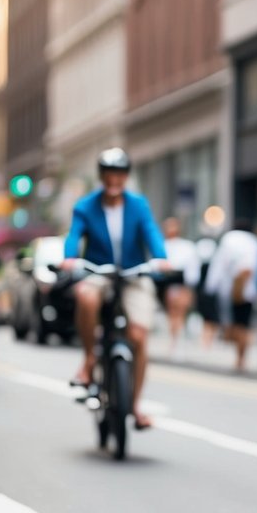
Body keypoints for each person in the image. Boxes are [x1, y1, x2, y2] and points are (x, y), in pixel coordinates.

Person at [62, 148, 169, 430]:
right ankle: (88, 360)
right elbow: (74, 235)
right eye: (109, 176)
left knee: (139, 335)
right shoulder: (85, 206)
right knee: (85, 296)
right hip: (99, 271)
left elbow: (151, 233)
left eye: (119, 176)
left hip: (133, 273)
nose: (114, 182)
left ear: (126, 178)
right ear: (101, 177)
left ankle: (134, 405)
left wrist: (161, 258)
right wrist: (69, 257)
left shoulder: (138, 205)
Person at [204, 219, 257, 372]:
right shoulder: (253, 242)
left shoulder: (229, 239)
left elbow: (219, 263)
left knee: (233, 323)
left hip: (230, 289)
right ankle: (241, 357)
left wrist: (210, 286)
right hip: (248, 291)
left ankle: (238, 354)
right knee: (244, 324)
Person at [160, 217, 201, 357]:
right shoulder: (163, 245)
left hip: (181, 282)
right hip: (169, 283)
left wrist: (190, 286)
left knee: (179, 313)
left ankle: (177, 342)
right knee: (174, 314)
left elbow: (192, 267)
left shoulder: (185, 246)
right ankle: (175, 341)